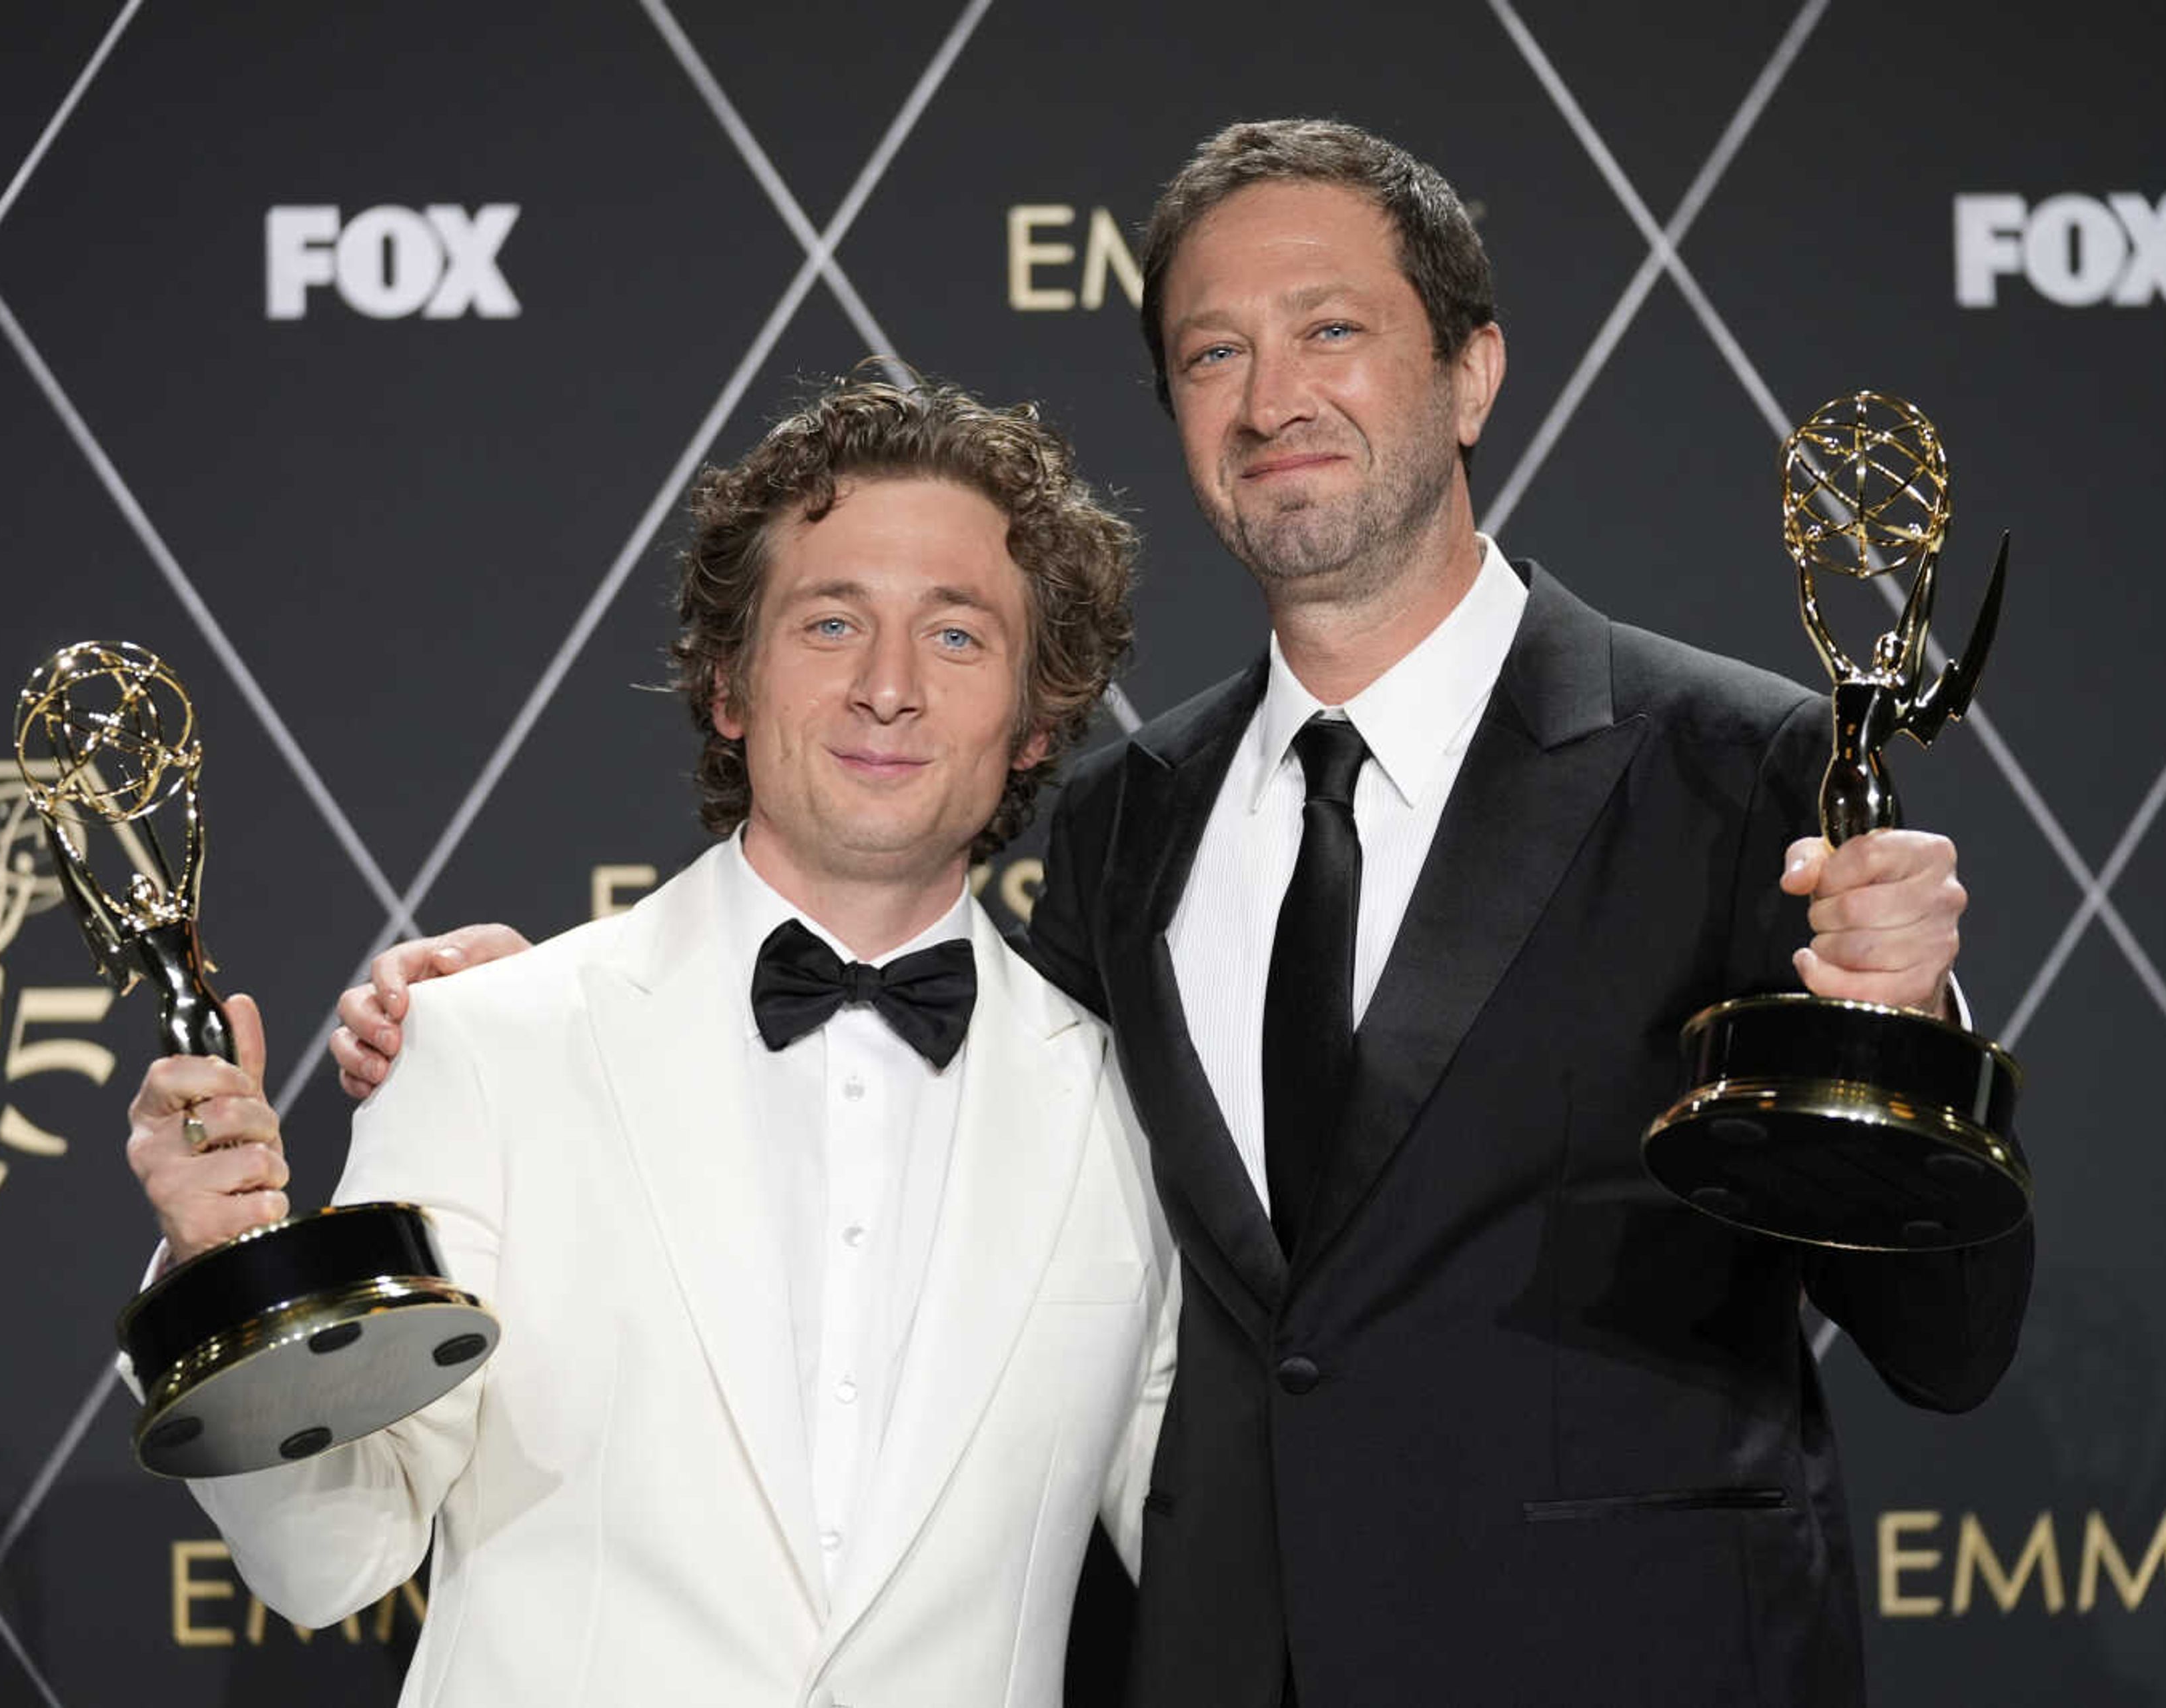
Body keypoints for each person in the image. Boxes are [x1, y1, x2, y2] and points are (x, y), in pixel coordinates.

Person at [338, 123, 2033, 1708]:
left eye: (1331, 332)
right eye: (1215, 354)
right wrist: (533, 1020)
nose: (1271, 395)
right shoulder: (1116, 827)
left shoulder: (1745, 767)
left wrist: (1903, 1036)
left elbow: (1948, 1341)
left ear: (1474, 371)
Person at [123, 376, 1173, 1708]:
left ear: (1037, 718)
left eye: (957, 636)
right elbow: (334, 1555)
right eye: (832, 621)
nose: (889, 688)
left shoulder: (1135, 1109)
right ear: (728, 683)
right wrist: (225, 1277)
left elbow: (1228, 1555)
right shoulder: (485, 1047)